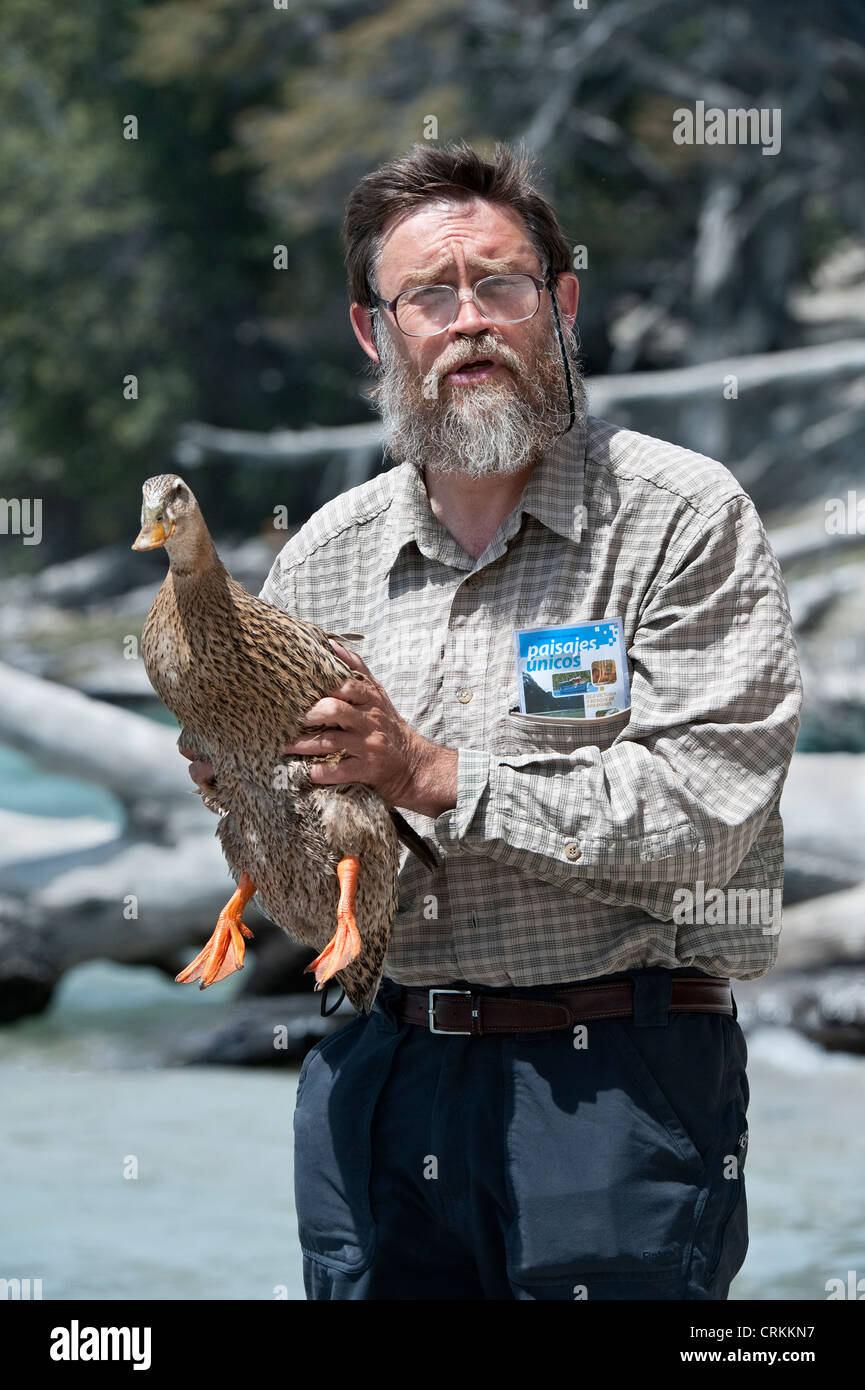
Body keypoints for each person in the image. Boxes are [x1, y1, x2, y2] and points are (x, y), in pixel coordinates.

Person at [186, 142, 803, 1300]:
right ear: (376, 331)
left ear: (558, 307)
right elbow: (314, 896)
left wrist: (431, 773)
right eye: (429, 294)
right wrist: (250, 795)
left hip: (614, 1084)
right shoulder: (324, 559)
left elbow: (709, 810)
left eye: (500, 286)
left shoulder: (678, 517)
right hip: (379, 1072)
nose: (468, 321)